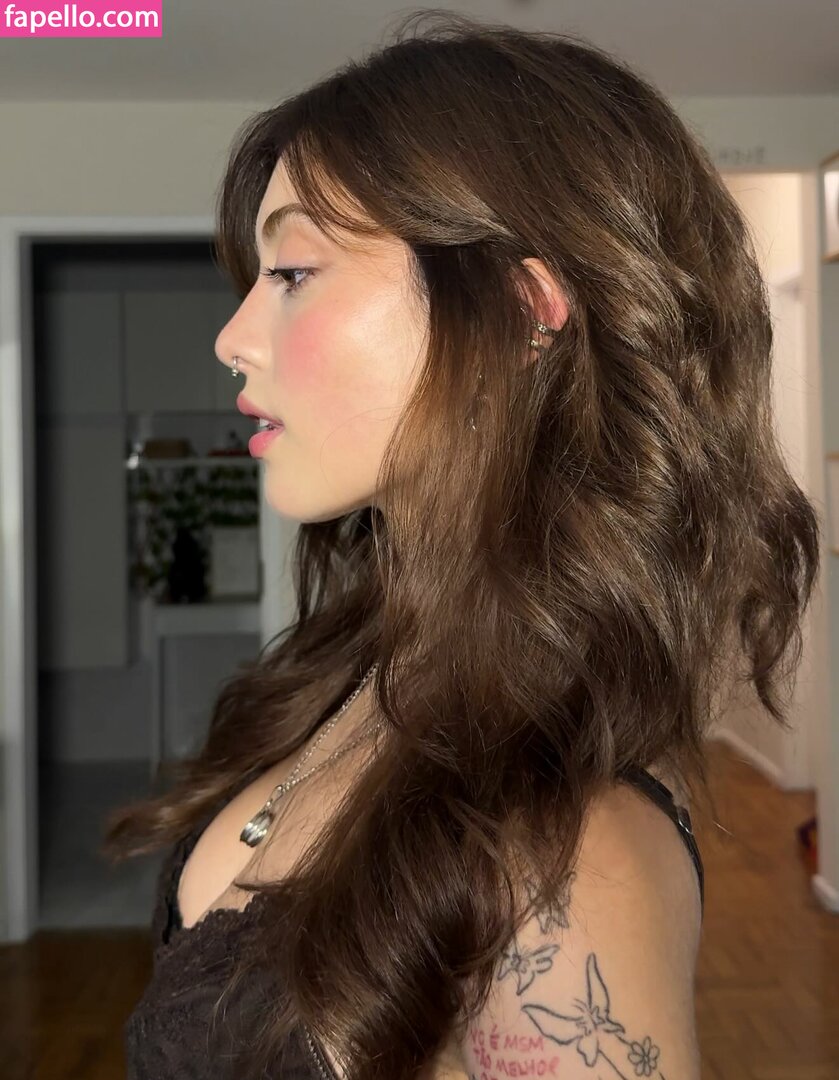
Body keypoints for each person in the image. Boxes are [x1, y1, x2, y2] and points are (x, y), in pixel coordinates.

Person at [103, 10, 821, 1080]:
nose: (233, 336)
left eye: (291, 271)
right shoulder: (360, 662)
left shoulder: (565, 869)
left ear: (524, 310)